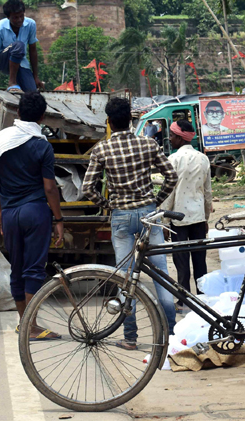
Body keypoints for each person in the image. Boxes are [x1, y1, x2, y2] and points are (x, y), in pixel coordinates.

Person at [81, 97, 179, 350]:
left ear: (110, 123)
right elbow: (171, 176)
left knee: (125, 279)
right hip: (149, 214)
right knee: (162, 275)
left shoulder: (102, 150)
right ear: (131, 120)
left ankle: (130, 337)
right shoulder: (148, 144)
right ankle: (170, 337)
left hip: (122, 217)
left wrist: (107, 204)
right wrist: (156, 200)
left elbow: (87, 187)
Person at [0, 92, 63, 340]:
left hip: (9, 212)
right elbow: (50, 187)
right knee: (34, 270)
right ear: (42, 116)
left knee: (17, 269)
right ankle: (31, 326)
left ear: (18, 113)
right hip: (35, 211)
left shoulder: (1, 140)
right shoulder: (42, 145)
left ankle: (25, 322)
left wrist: (0, 211)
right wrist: (59, 219)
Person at [161, 120, 212, 306]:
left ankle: (183, 300)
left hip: (178, 218)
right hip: (198, 217)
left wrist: (165, 222)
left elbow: (169, 193)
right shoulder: (203, 158)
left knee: (181, 262)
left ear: (180, 138)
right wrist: (207, 218)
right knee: (200, 261)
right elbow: (207, 192)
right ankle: (203, 298)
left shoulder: (173, 160)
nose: (170, 138)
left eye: (172, 135)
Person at [0, 0, 44, 93]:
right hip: (3, 61)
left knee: (32, 93)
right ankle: (12, 82)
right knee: (19, 45)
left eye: (21, 16)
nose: (19, 20)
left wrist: (35, 77)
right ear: (8, 17)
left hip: (20, 61)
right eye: (15, 17)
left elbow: (33, 50)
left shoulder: (30, 24)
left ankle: (19, 85)